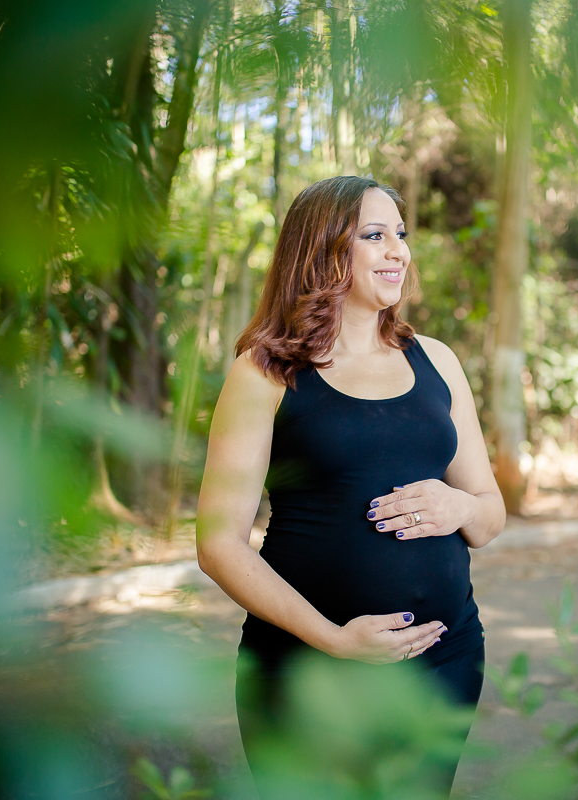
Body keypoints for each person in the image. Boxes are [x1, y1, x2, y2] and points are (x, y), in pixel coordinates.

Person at [196, 175, 506, 798]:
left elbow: (490, 513)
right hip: (308, 671)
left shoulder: (437, 361)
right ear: (323, 251)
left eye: (400, 235)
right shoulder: (266, 371)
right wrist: (335, 641)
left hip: (443, 661)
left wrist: (458, 505)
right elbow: (219, 544)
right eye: (374, 235)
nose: (397, 250)